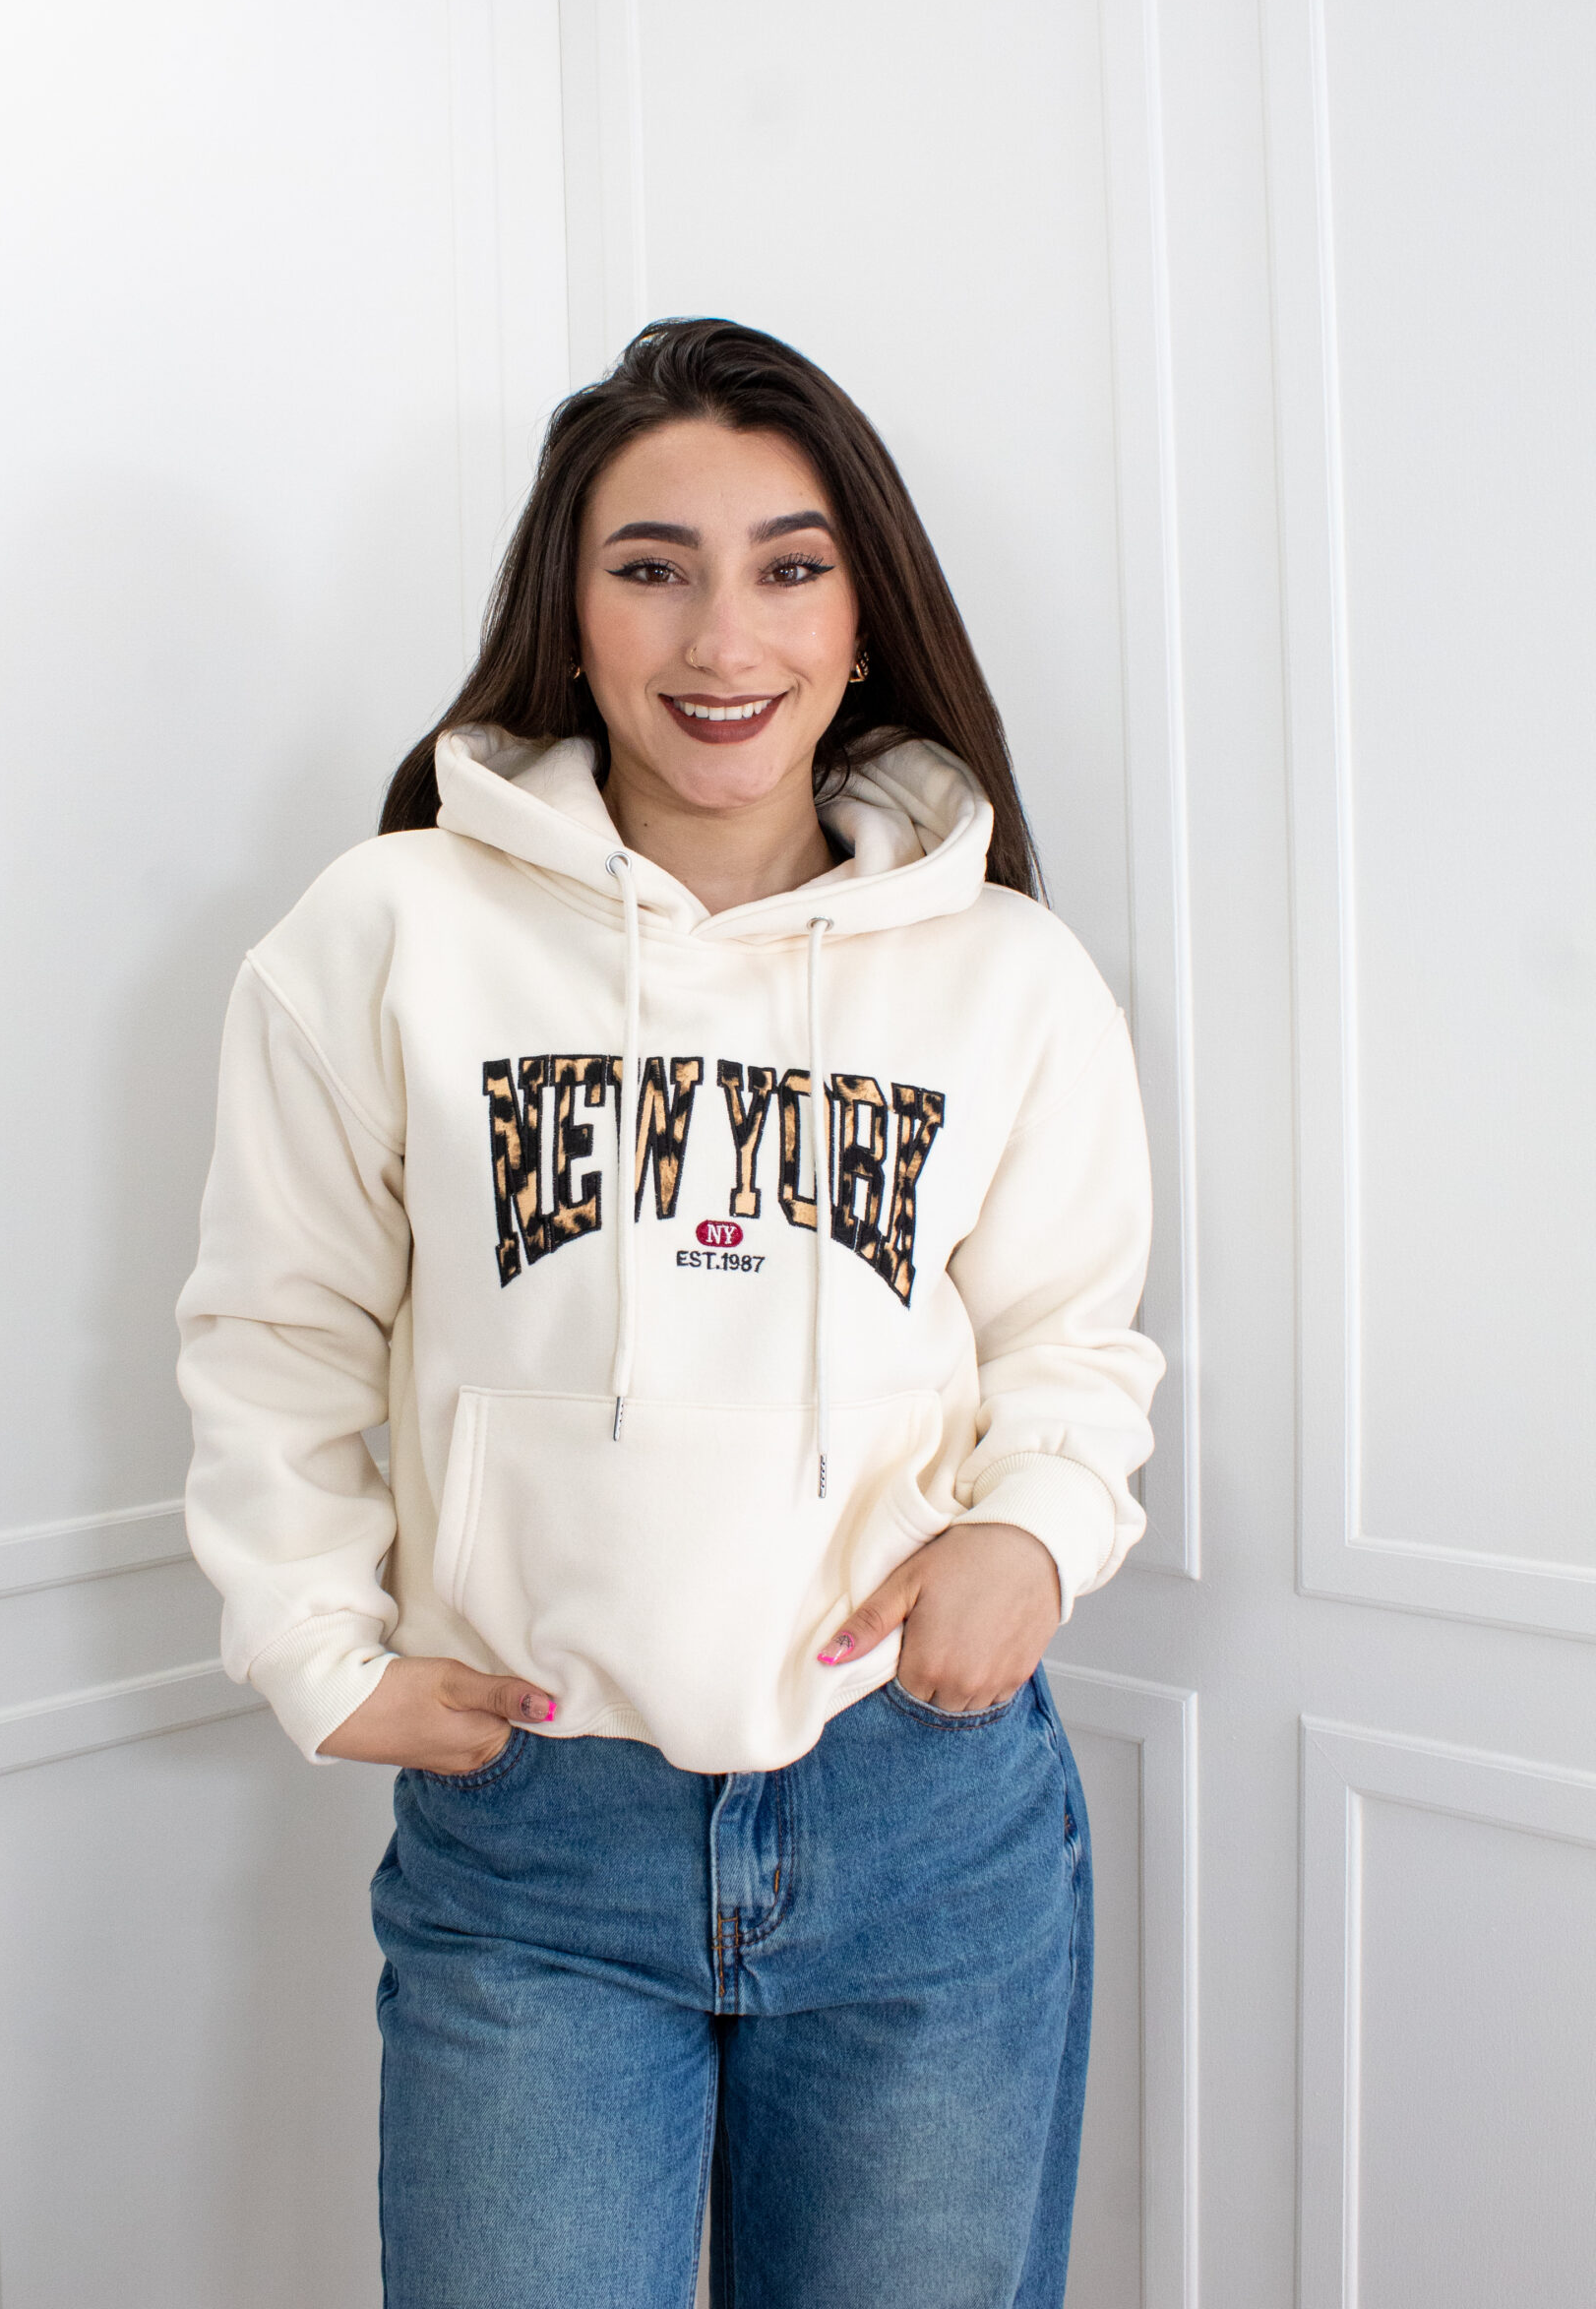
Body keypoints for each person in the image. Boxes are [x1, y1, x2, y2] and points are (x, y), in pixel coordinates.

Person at [177, 317, 1164, 2308]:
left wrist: (1038, 1532)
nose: (724, 637)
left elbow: (1072, 1335)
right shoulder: (388, 932)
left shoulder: (1008, 973)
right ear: (571, 608)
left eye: (791, 566)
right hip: (542, 1836)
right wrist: (311, 1642)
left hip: (923, 1822)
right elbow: (277, 1327)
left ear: (866, 617)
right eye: (654, 566)